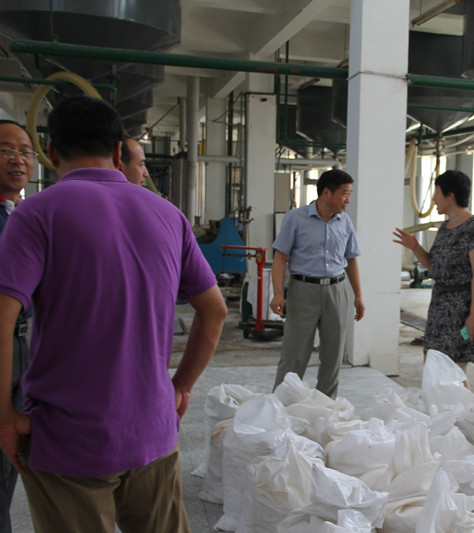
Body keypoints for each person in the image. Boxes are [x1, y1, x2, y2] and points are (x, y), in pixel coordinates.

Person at [0, 95, 228, 532]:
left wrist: (5, 419)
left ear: (51, 153)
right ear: (119, 152)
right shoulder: (168, 215)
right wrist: (180, 386)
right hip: (152, 432)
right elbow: (215, 312)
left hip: (67, 441)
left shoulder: (36, 213)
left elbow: (3, 317)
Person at [270, 168, 364, 399]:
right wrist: (278, 293)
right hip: (303, 291)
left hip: (337, 291)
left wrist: (358, 295)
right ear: (326, 193)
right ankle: (281, 404)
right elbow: (280, 257)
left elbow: (351, 259)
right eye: (344, 193)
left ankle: (325, 407)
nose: (348, 200)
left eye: (350, 194)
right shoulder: (295, 218)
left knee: (333, 356)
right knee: (295, 354)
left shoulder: (345, 221)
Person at [393, 170, 474, 387]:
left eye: (437, 192)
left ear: (450, 195)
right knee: (433, 364)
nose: (434, 199)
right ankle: (440, 408)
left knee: (455, 370)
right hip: (439, 305)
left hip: (461, 308)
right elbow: (435, 267)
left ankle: (462, 409)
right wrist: (415, 247)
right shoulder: (445, 228)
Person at [0, 119, 35, 533]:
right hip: (5, 343)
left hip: (24, 344)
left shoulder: (22, 215)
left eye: (25, 151)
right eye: (6, 150)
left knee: (9, 462)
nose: (18, 160)